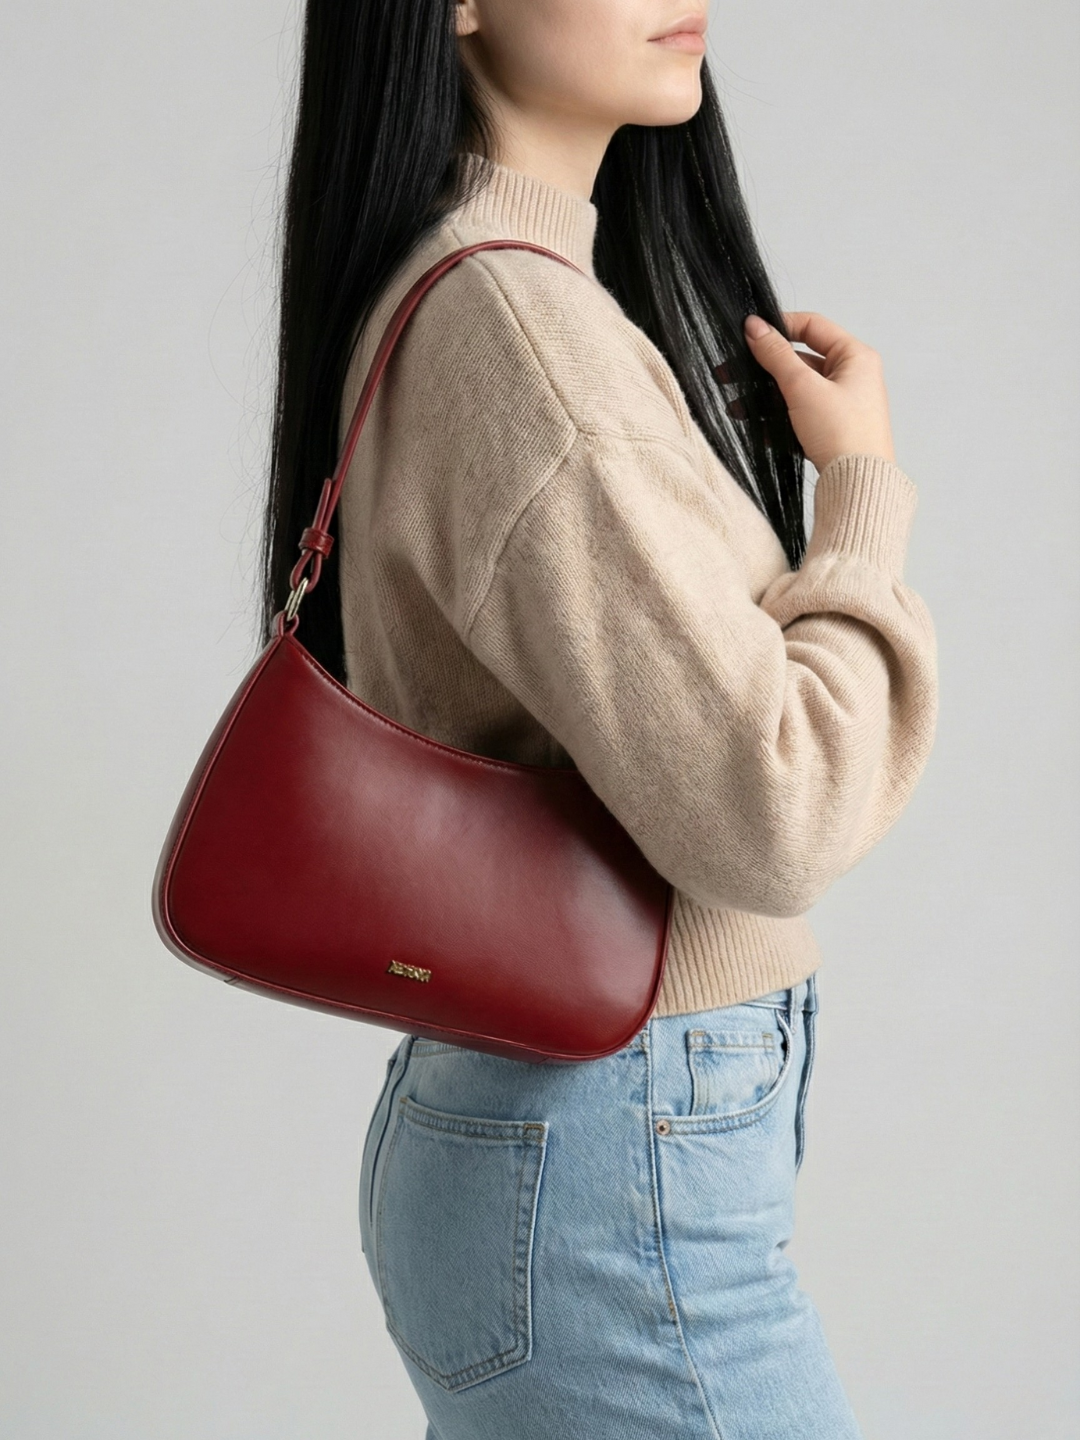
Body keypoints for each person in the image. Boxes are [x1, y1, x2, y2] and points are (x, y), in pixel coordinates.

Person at [260, 2, 938, 1436]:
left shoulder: (496, 296)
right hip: (612, 1176)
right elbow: (773, 814)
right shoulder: (522, 331)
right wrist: (862, 502)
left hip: (562, 1146)